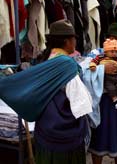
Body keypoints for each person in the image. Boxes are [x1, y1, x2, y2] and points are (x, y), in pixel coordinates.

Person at [0, 20, 93, 164]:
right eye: (73, 38)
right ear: (66, 41)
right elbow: (82, 105)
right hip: (65, 137)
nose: (75, 41)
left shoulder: (44, 61)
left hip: (44, 130)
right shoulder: (66, 64)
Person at [87, 22, 117, 164]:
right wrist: (101, 69)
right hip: (102, 103)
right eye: (114, 38)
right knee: (100, 136)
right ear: (107, 39)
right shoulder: (96, 54)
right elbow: (85, 70)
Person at [89, 39, 117, 109]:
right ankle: (115, 99)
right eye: (112, 51)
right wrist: (93, 66)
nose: (114, 53)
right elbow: (93, 61)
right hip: (107, 77)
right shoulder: (100, 57)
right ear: (106, 51)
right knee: (110, 87)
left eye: (116, 52)